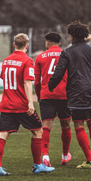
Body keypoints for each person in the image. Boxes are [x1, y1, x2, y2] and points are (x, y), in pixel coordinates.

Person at [48, 20, 91, 169]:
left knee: (79, 124)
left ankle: (89, 160)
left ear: (71, 36)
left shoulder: (67, 52)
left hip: (77, 93)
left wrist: (50, 85)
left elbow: (58, 73)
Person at [0, 33, 55, 176]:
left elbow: (5, 79)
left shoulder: (6, 60)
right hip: (21, 105)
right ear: (27, 46)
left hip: (7, 104)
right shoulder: (27, 61)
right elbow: (27, 82)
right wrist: (30, 103)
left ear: (14, 45)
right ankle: (37, 165)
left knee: (3, 133)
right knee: (38, 131)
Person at [34, 32, 72, 167]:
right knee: (66, 126)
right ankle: (65, 156)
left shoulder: (40, 57)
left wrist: (39, 96)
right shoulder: (67, 54)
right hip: (64, 95)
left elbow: (37, 82)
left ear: (47, 43)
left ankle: (45, 156)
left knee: (46, 127)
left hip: (46, 95)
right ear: (59, 43)